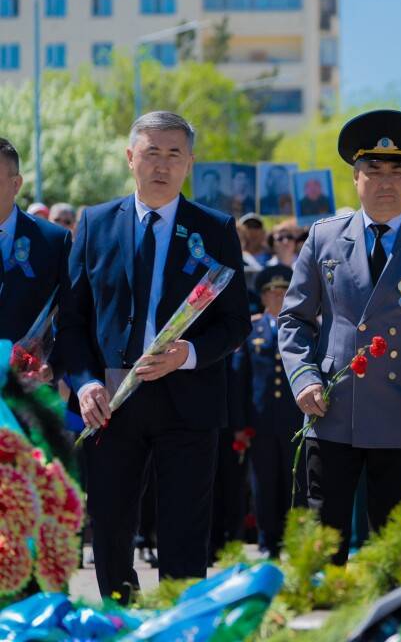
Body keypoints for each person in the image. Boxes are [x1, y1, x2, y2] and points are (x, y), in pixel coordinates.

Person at [59, 111, 251, 600]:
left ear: (189, 163)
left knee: (185, 532)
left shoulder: (215, 229)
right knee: (110, 529)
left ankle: (178, 625)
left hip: (188, 402)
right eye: (151, 153)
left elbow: (236, 322)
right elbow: (72, 322)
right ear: (130, 158)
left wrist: (189, 353)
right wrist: (85, 383)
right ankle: (122, 621)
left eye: (174, 155)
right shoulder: (95, 224)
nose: (162, 166)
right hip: (111, 402)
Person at [279, 109, 401, 563]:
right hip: (332, 409)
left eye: (398, 171)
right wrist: (303, 377)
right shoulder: (324, 238)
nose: (387, 182)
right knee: (321, 547)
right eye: (375, 170)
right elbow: (294, 320)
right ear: (356, 176)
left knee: (395, 551)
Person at [235, 264, 304, 556]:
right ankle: (267, 540)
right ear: (262, 297)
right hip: (261, 420)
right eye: (271, 293)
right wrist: (240, 424)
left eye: (283, 292)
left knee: (294, 482)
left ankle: (293, 539)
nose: (277, 297)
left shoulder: (301, 328)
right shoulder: (252, 330)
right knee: (263, 481)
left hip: (294, 419)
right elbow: (241, 379)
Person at [0, 139, 71, 344]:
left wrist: (49, 357)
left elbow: (72, 316)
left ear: (16, 184)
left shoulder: (53, 241)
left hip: (28, 363)